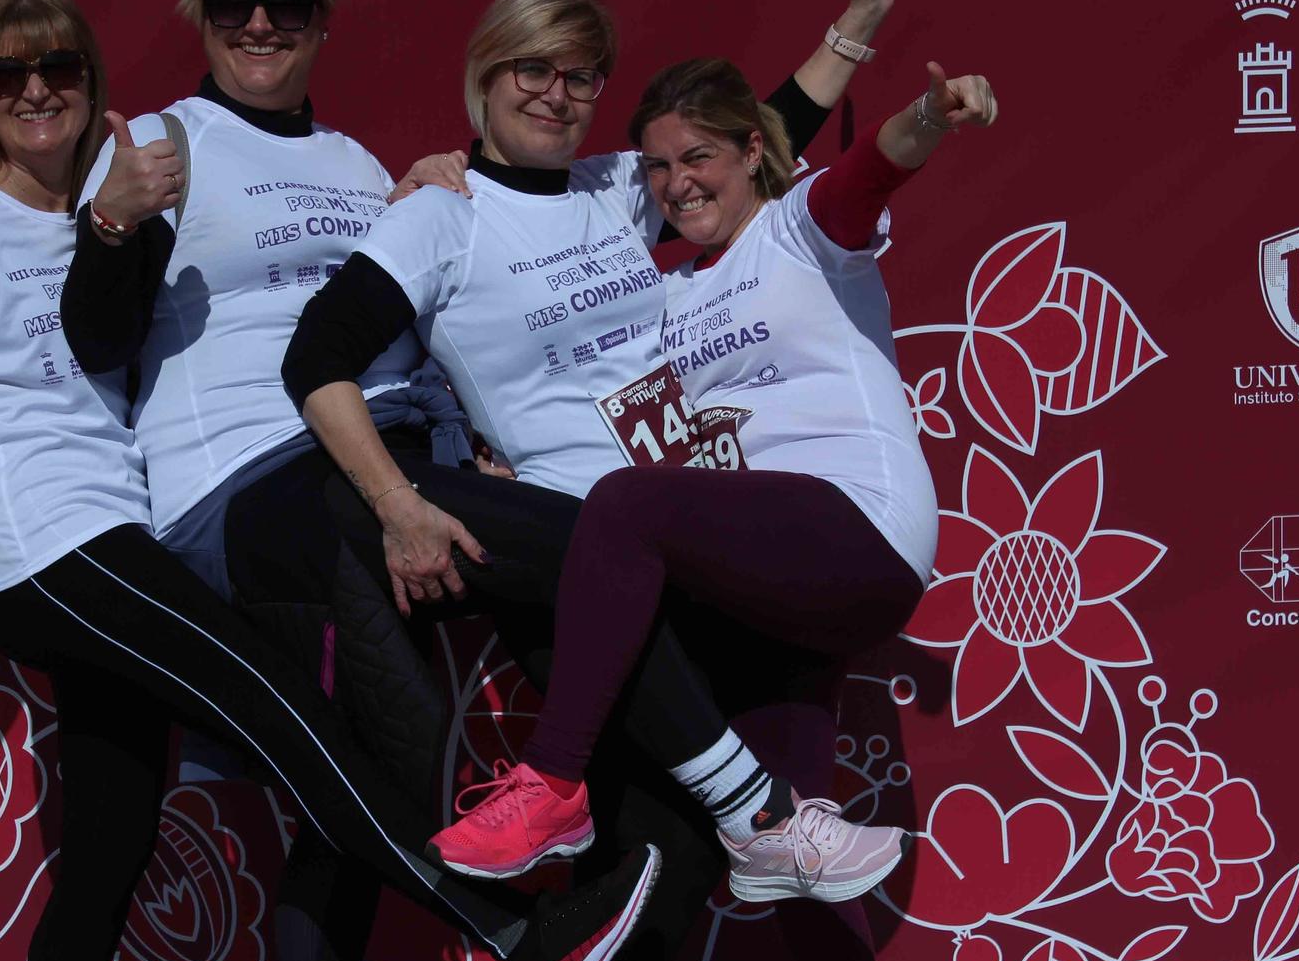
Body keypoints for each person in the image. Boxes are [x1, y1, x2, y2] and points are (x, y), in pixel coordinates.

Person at [71, 0, 907, 961]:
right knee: (479, 669)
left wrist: (855, 27)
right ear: (482, 78)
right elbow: (264, 351)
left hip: (515, 500)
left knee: (468, 793)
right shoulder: (199, 153)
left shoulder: (428, 176)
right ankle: (753, 819)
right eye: (235, 2)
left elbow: (745, 137)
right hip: (321, 498)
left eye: (577, 75)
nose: (555, 93)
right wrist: (111, 224)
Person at [0, 0, 662, 961]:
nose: (34, 93)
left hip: (121, 533)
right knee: (286, 716)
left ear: (91, 86)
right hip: (41, 543)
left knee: (109, 847)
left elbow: (263, 277)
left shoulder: (122, 207)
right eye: (7, 77)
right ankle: (520, 935)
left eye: (58, 70)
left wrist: (426, 186)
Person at [427, 55, 997, 889]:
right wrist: (450, 180)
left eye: (697, 157)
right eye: (657, 166)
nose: (676, 184)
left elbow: (871, 171)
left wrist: (931, 113)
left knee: (625, 509)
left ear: (753, 153)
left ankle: (552, 779)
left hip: (858, 529)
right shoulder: (666, 297)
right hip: (767, 576)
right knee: (790, 843)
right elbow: (582, 395)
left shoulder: (800, 226)